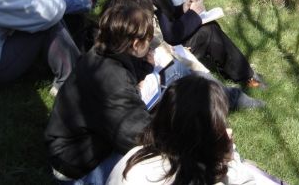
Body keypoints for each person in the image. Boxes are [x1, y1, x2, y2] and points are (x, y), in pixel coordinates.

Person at [112, 0, 266, 103]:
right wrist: (193, 16)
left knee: (209, 29)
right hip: (165, 58)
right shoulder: (140, 7)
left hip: (168, 51)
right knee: (207, 39)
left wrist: (184, 9)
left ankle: (242, 77)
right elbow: (167, 36)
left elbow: (167, 23)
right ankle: (235, 95)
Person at [45, 2, 156, 183]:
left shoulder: (101, 52)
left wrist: (144, 68)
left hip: (66, 145)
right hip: (72, 165)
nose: (149, 46)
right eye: (148, 41)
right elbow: (138, 137)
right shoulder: (114, 80)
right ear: (136, 44)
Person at [107, 75, 259, 185]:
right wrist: (228, 155)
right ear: (201, 138)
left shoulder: (135, 155)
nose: (227, 129)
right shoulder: (190, 176)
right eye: (220, 125)